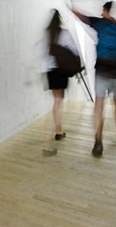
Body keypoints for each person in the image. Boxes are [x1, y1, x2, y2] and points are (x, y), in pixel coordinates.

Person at [71, 1, 116, 157]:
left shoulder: (100, 23)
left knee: (99, 105)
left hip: (102, 72)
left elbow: (81, 17)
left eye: (102, 11)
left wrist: (71, 7)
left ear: (105, 10)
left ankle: (98, 142)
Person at [45, 9, 80, 141]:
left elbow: (42, 55)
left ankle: (58, 129)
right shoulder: (64, 33)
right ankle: (58, 131)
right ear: (59, 20)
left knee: (56, 100)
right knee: (59, 101)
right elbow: (74, 51)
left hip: (50, 71)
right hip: (61, 71)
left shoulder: (47, 34)